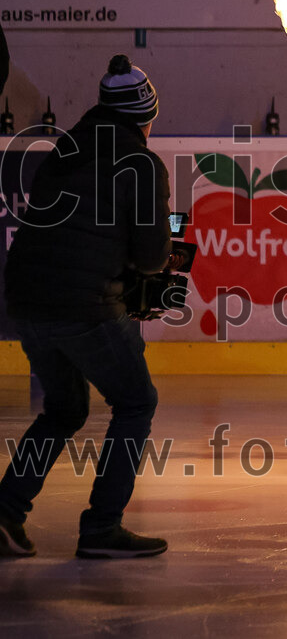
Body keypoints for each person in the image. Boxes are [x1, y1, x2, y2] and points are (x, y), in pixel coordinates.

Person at [0, 56, 171, 559]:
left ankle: (6, 508)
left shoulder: (64, 150)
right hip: (84, 306)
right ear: (145, 117)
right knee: (136, 402)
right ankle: (101, 528)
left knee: (65, 408)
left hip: (27, 300)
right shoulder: (141, 163)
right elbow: (151, 255)